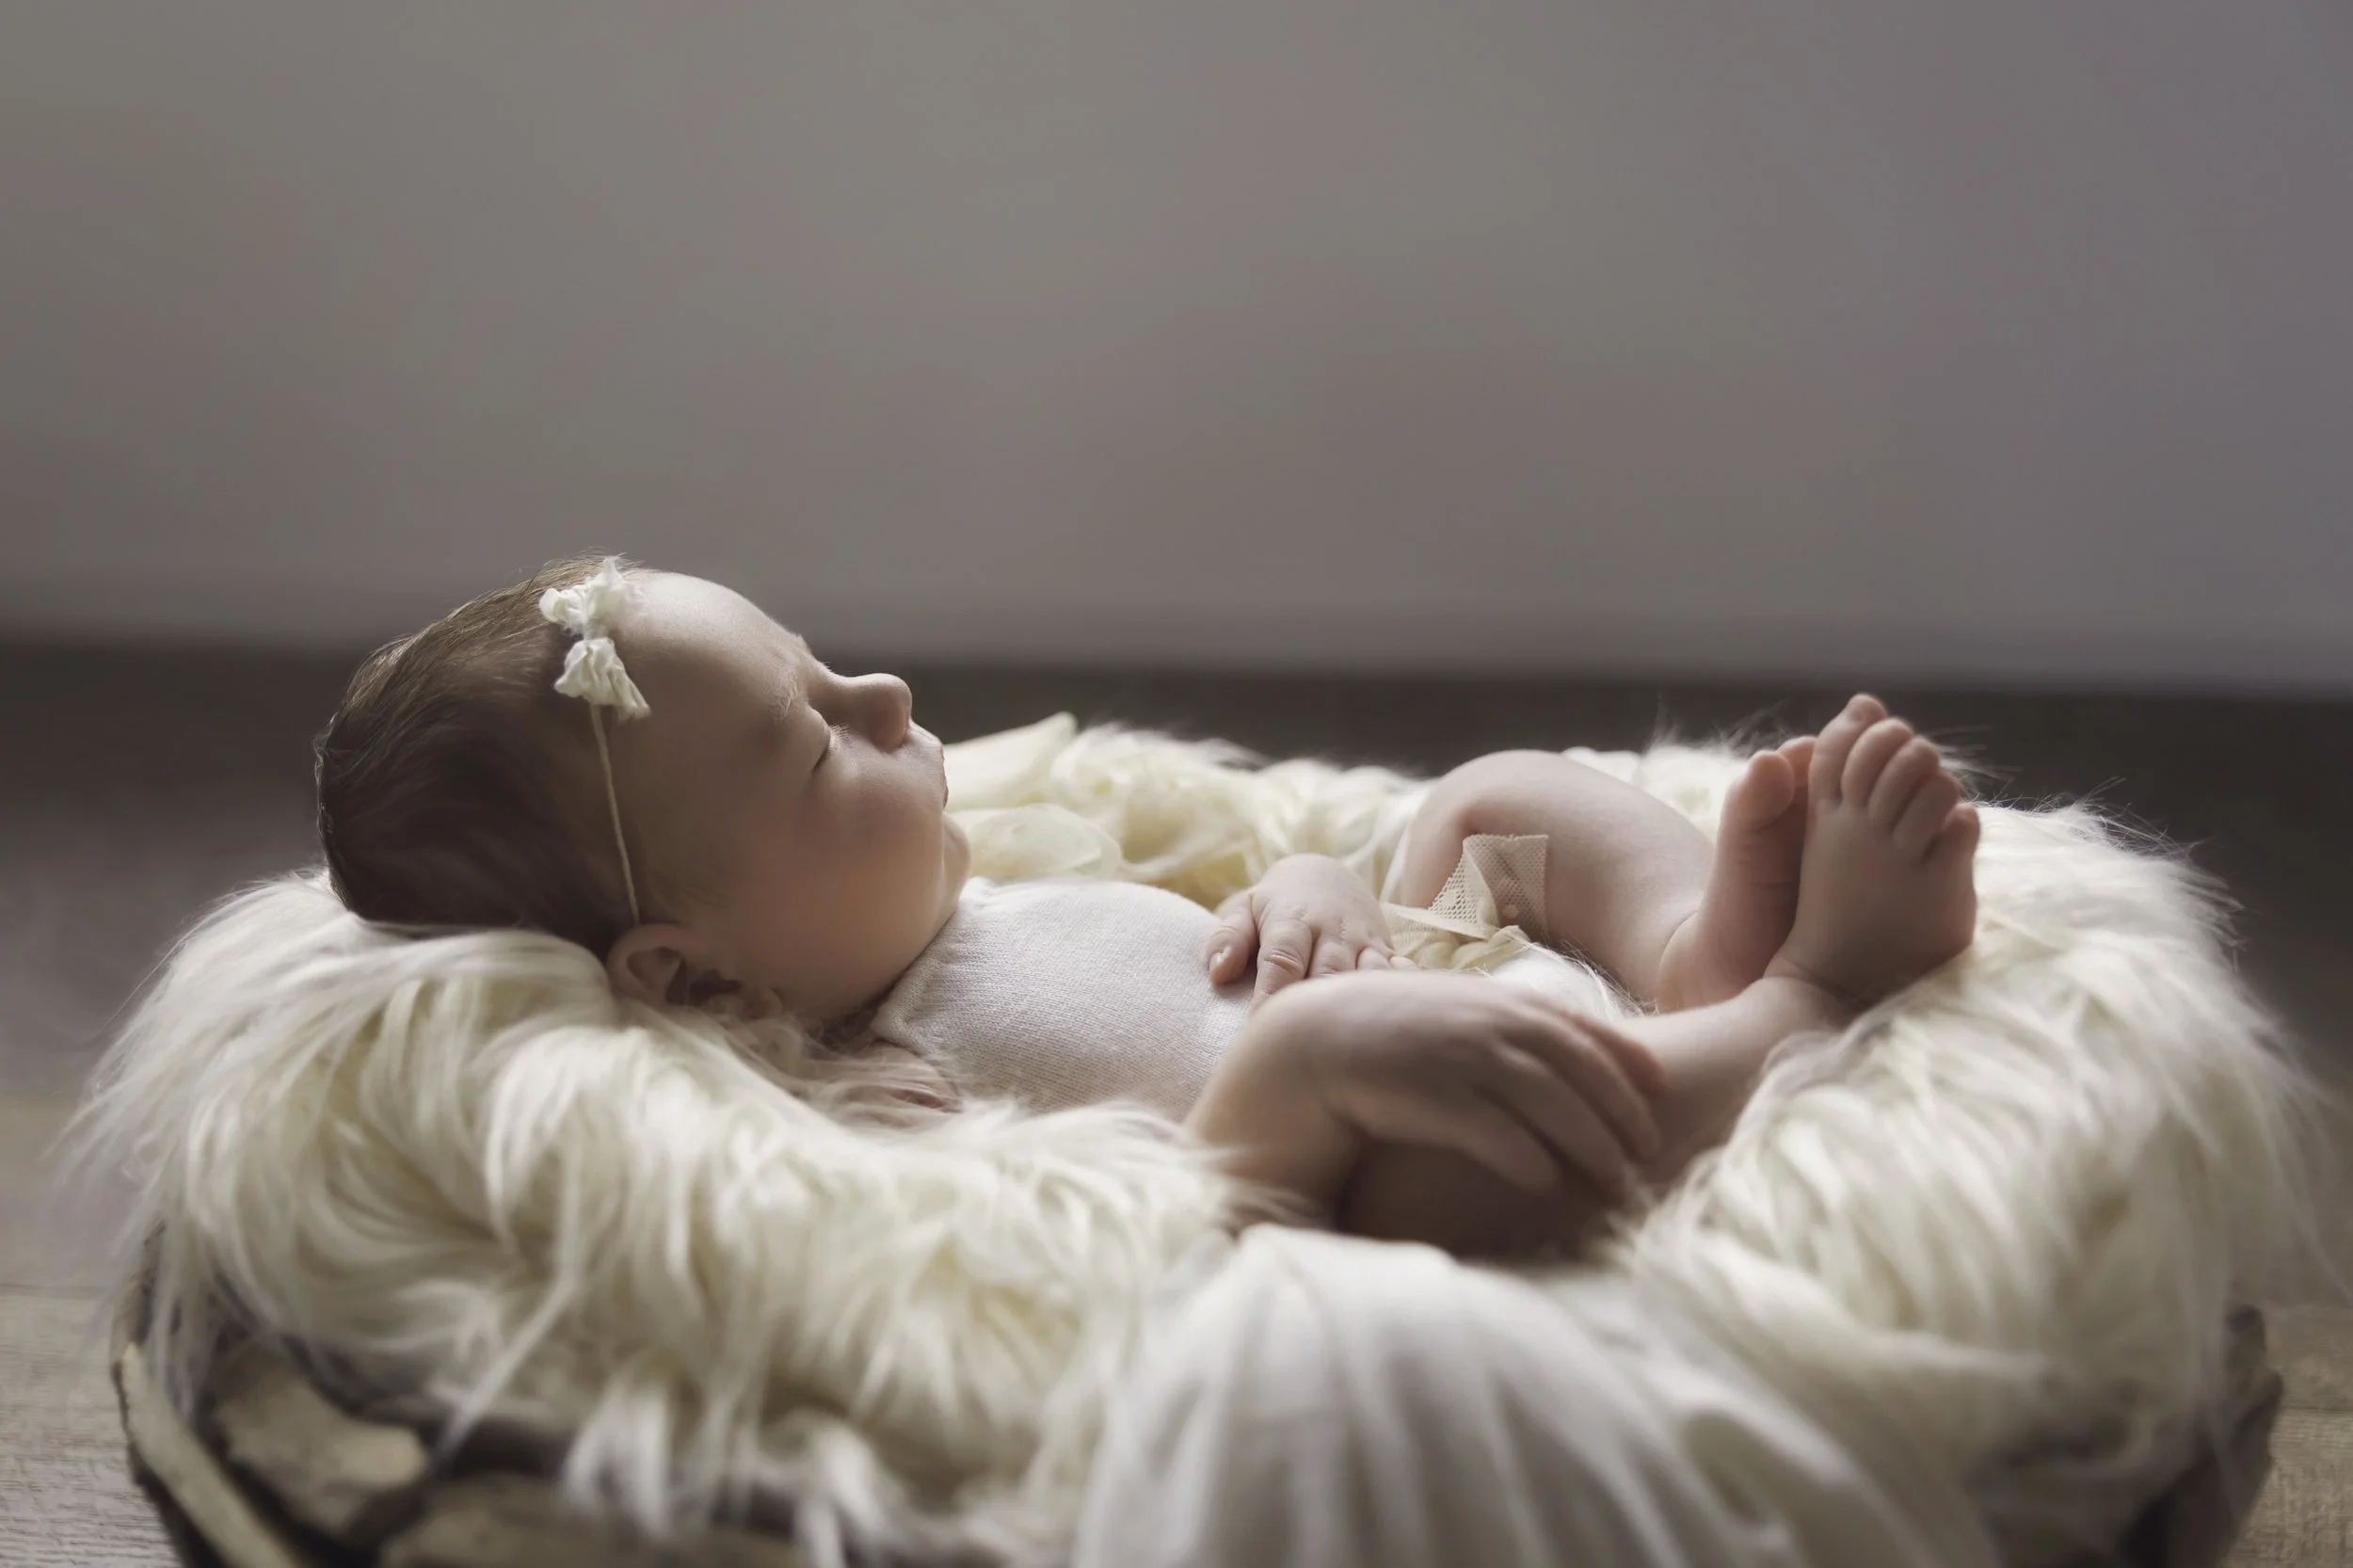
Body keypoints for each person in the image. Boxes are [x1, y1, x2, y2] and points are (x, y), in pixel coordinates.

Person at [315, 555, 1978, 1258]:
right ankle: (1802, 1008)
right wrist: (1302, 1076)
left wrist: (1314, 891)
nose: (888, 692)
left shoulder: (973, 888)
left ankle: (1693, 951)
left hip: (1423, 987)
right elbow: (1129, 1254)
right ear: (683, 972)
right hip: (1380, 1168)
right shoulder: (848, 1104)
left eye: (832, 665)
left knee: (1485, 797)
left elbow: (1203, 929)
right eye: (819, 743)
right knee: (1422, 1170)